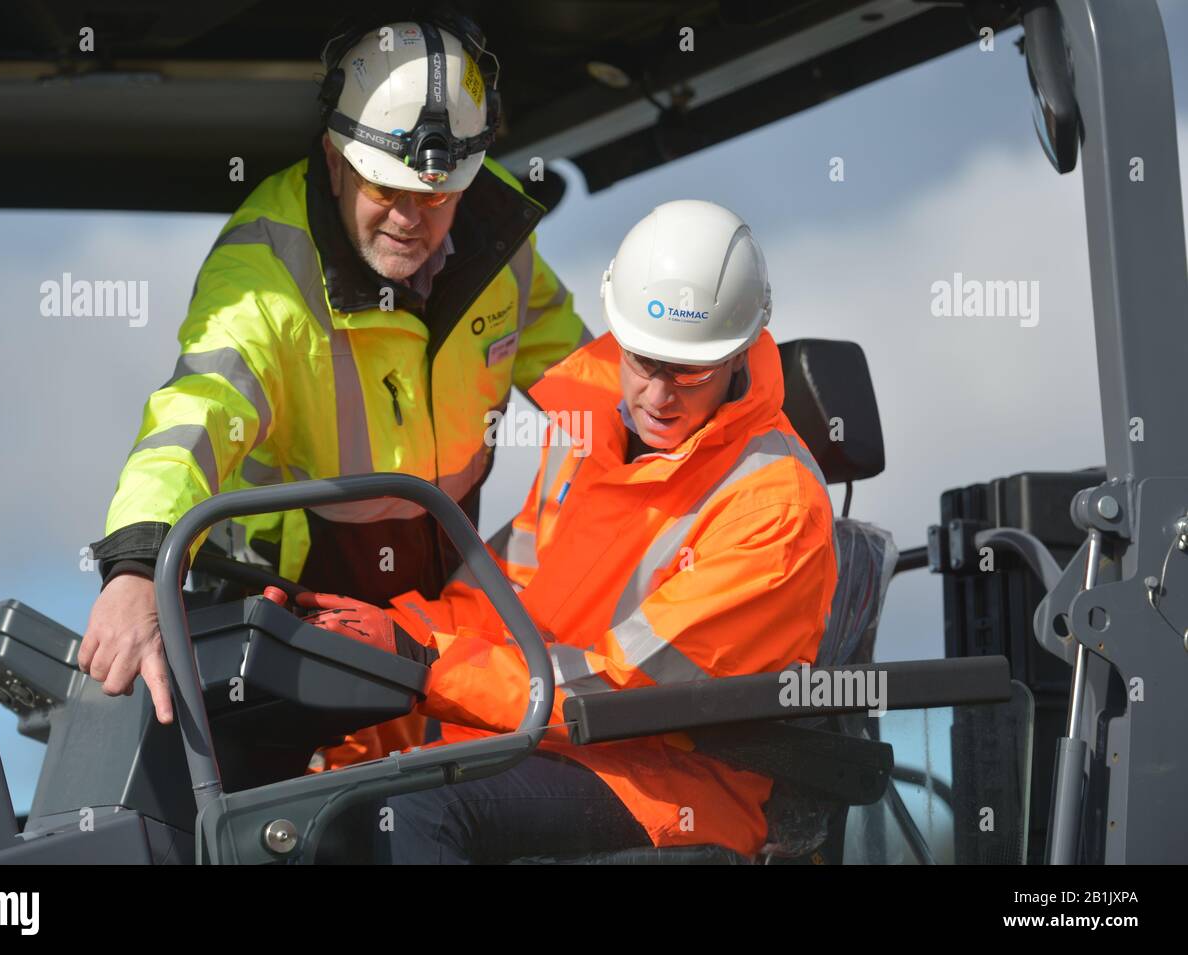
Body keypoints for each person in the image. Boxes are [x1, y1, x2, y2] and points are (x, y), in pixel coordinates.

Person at [76, 12, 587, 754]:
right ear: (337, 158)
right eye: (388, 188)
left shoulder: (498, 232)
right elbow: (194, 415)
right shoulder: (263, 273)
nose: (413, 220)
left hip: (443, 620)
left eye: (437, 197)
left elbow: (579, 370)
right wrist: (136, 568)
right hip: (295, 623)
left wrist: (686, 430)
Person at [299, 199, 839, 863]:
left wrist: (424, 663)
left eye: (689, 371)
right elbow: (498, 610)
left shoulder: (773, 504)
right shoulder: (587, 441)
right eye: (643, 361)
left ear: (739, 354)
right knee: (307, 802)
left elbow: (621, 690)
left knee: (413, 812)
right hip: (536, 742)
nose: (659, 396)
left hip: (666, 783)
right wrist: (359, 663)